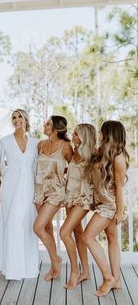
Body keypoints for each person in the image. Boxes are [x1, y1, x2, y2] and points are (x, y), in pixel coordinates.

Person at [83, 120, 129, 297]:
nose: (99, 134)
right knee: (111, 237)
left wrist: (119, 212)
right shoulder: (99, 152)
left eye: (102, 132)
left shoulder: (118, 159)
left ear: (110, 134)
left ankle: (108, 277)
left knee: (88, 236)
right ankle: (116, 280)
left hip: (109, 205)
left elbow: (119, 188)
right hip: (100, 202)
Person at [0, 109, 39, 280]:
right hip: (10, 186)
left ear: (26, 119)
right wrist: (6, 180)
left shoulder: (36, 143)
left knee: (27, 224)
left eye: (19, 116)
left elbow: (36, 166)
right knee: (12, 223)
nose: (16, 119)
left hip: (29, 184)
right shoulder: (5, 141)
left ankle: (27, 267)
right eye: (13, 117)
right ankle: (12, 268)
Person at [33, 116, 73, 281]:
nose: (45, 125)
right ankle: (55, 266)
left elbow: (74, 168)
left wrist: (67, 188)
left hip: (56, 192)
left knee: (37, 227)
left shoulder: (66, 147)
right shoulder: (40, 145)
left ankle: (56, 259)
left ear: (56, 128)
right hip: (39, 192)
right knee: (47, 229)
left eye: (48, 123)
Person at [60, 123, 96, 289]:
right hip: (70, 197)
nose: (72, 136)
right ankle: (86, 271)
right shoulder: (73, 152)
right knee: (77, 232)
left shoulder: (93, 155)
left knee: (64, 232)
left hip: (83, 199)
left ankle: (74, 271)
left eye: (75, 134)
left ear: (84, 137)